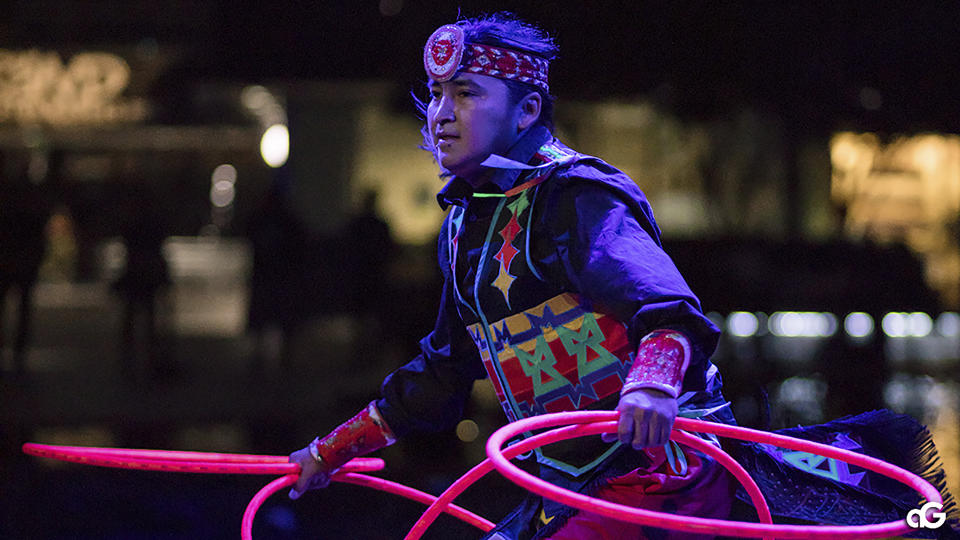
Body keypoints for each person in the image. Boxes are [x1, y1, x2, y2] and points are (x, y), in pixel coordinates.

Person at [288, 13, 736, 539]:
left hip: (664, 475)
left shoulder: (575, 195)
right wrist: (332, 450)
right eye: (436, 94)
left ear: (526, 111)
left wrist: (652, 385)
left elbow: (667, 309)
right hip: (569, 486)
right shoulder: (461, 223)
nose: (441, 115)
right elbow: (445, 371)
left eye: (466, 94)